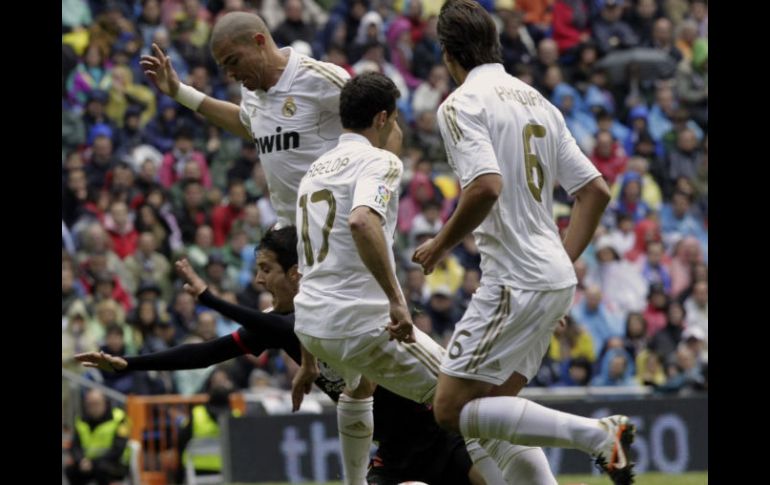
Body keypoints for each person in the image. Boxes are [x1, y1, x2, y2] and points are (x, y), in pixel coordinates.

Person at [410, 1, 634, 484]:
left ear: (448, 53)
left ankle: (597, 434)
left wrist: (440, 245)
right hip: (551, 276)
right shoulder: (540, 103)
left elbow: (485, 186)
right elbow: (595, 191)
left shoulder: (461, 104)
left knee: (449, 409)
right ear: (495, 44)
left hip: (513, 279)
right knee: (493, 414)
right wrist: (560, 264)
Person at [77, 227, 483, 485]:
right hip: (393, 451)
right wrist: (131, 362)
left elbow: (289, 329)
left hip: (438, 432)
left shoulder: (336, 311)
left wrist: (210, 298)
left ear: (294, 273)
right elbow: (208, 352)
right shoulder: (277, 322)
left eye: (266, 269)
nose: (258, 279)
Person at [140, 11, 399, 226]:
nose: (231, 74)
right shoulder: (251, 89)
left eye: (234, 61)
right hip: (293, 230)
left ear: (259, 41)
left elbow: (388, 127)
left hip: (339, 227)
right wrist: (180, 92)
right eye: (224, 67)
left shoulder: (318, 78)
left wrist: (375, 203)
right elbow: (248, 125)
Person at [64, 389, 130, 485]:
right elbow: (75, 446)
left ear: (105, 403)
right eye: (89, 404)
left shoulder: (119, 418)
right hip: (88, 463)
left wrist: (93, 462)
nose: (93, 407)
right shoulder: (81, 420)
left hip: (115, 463)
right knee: (70, 470)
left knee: (102, 469)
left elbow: (118, 449)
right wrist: (81, 460)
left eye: (96, 404)